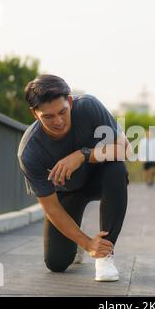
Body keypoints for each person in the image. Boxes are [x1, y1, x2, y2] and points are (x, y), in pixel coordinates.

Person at [17, 74, 130, 282]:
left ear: (70, 101)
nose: (58, 121)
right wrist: (88, 244)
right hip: (66, 192)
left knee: (116, 169)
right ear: (35, 114)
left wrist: (82, 155)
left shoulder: (89, 106)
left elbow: (125, 150)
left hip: (99, 177)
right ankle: (79, 243)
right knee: (56, 263)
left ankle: (105, 257)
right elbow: (50, 208)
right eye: (48, 117)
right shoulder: (29, 151)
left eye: (62, 112)